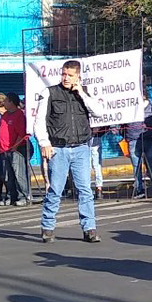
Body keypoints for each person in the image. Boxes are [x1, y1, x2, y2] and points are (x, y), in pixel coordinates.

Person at [34, 60, 100, 243]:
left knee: (85, 189)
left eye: (70, 75)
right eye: (64, 74)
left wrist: (81, 93)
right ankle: (47, 227)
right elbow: (39, 120)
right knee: (55, 189)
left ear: (78, 76)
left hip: (81, 148)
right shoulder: (49, 92)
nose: (66, 78)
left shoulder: (84, 92)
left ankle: (90, 229)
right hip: (58, 149)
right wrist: (44, 143)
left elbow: (99, 112)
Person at [0, 93, 31, 205]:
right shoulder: (5, 115)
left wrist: (15, 146)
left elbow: (21, 132)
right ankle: (11, 196)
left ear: (12, 102)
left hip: (16, 149)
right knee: (7, 175)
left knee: (19, 174)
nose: (4, 103)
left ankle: (23, 196)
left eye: (7, 101)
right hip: (4, 150)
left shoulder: (19, 115)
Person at [132, 88, 152, 199]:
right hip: (133, 139)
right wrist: (125, 136)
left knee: (150, 165)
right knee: (137, 166)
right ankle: (139, 189)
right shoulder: (130, 108)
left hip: (149, 140)